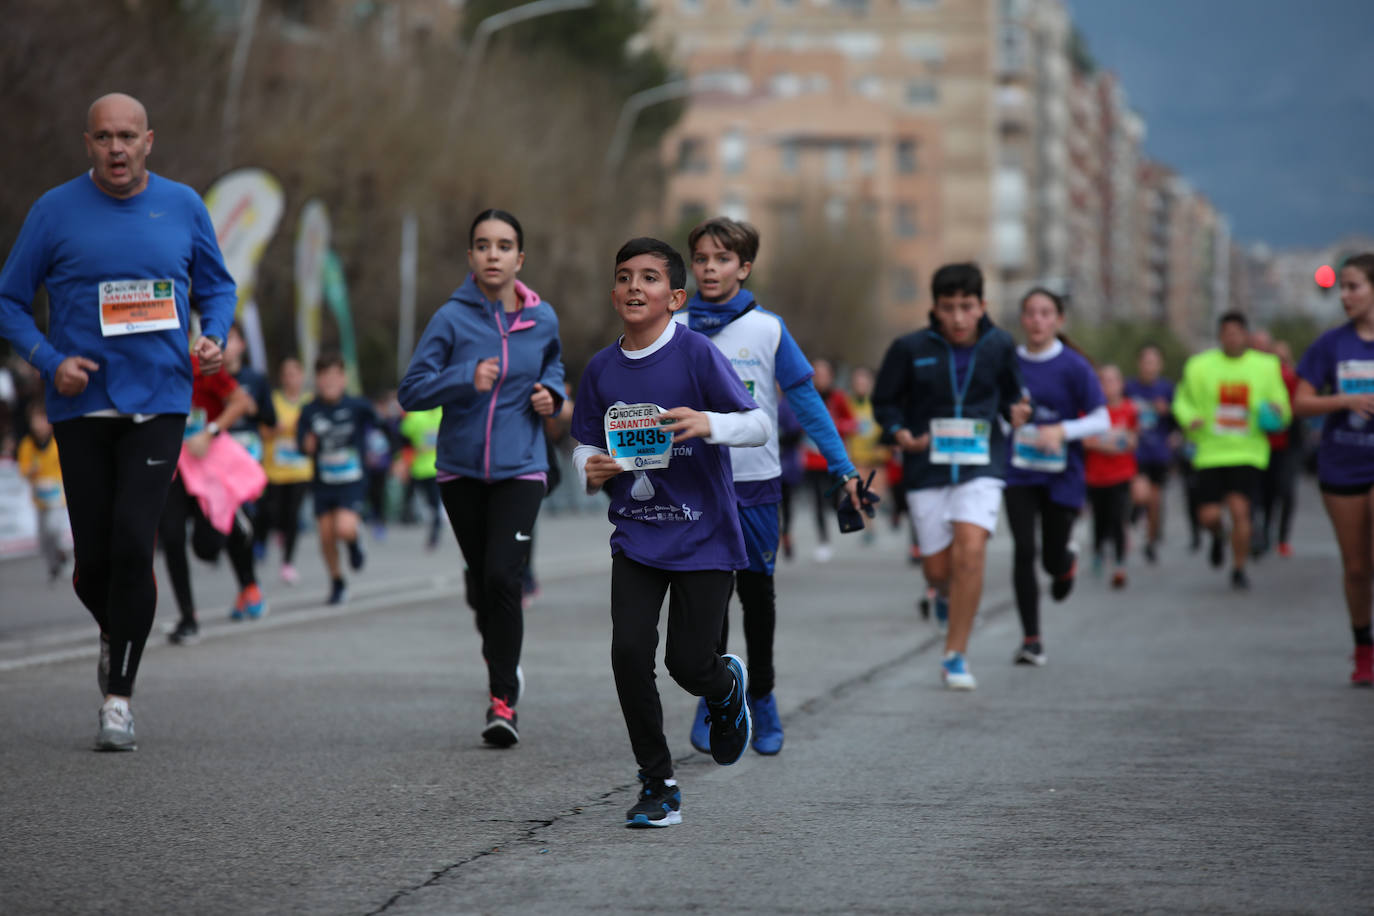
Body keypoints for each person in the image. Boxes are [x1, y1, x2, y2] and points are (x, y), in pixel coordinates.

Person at [0, 93, 236, 750]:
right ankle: (117, 627)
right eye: (104, 137)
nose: (117, 149)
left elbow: (217, 286)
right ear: (88, 144)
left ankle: (118, 699)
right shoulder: (55, 211)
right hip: (83, 404)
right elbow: (9, 301)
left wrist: (214, 335)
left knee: (135, 543)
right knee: (94, 563)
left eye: (128, 136)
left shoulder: (183, 206)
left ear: (148, 141)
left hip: (160, 399)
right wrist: (50, 361)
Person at [571, 236, 767, 827]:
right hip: (637, 533)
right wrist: (589, 468)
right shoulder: (601, 369)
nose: (635, 286)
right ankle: (658, 783)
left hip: (704, 534)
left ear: (676, 297)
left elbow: (758, 425)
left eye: (650, 277)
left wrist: (709, 423)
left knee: (688, 663)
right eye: (624, 276)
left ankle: (724, 686)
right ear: (614, 293)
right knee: (629, 653)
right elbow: (584, 443)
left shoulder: (696, 354)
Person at [677, 216, 860, 758]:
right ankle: (715, 694)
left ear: (745, 267)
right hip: (696, 485)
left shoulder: (768, 329)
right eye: (702, 259)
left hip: (756, 484)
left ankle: (762, 695)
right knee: (706, 600)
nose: (710, 268)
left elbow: (806, 401)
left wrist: (843, 468)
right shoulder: (674, 325)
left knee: (757, 598)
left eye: (723, 259)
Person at [397, 209, 565, 747]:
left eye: (504, 245)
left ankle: (502, 702)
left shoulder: (542, 319)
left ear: (520, 258)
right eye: (484, 245)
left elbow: (554, 368)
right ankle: (501, 659)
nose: (494, 254)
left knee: (502, 579)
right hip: (461, 471)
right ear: (471, 256)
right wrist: (463, 378)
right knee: (482, 584)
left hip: (522, 467)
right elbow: (411, 391)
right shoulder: (451, 319)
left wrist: (552, 394)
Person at [873, 263, 1030, 690]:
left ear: (982, 305)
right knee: (938, 569)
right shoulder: (909, 348)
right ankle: (942, 594)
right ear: (935, 308)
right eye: (948, 308)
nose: (958, 317)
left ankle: (955, 655)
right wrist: (899, 432)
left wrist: (1019, 411)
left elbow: (1013, 397)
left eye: (967, 306)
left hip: (982, 465)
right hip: (927, 468)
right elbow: (885, 403)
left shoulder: (1000, 345)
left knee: (971, 553)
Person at [1003, 289, 1109, 666]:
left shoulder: (1074, 366)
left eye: (1045, 313)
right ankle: (1031, 640)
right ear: (1022, 319)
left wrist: (1062, 431)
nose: (1037, 320)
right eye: (1030, 313)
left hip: (1062, 475)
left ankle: (1065, 564)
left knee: (1050, 560)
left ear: (1059, 320)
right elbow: (995, 415)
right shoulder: (1008, 364)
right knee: (1023, 550)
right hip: (1018, 472)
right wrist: (1009, 419)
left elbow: (1101, 418)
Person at [1292, 253, 1374, 686]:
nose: (1344, 295)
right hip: (1342, 464)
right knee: (1357, 568)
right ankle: (1363, 648)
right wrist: (1345, 400)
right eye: (1341, 287)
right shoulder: (1330, 345)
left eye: (1353, 286)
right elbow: (1300, 403)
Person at [1172, 312, 1291, 590]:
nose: (1232, 338)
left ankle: (1238, 569)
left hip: (1247, 452)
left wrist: (1278, 412)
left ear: (1245, 335)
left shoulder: (1266, 366)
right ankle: (1218, 535)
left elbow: (1282, 406)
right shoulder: (1199, 366)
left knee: (1240, 511)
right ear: (1220, 336)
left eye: (1237, 333)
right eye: (1227, 333)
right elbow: (1181, 400)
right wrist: (1190, 419)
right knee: (1209, 516)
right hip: (1209, 452)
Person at [159, 351, 264, 643]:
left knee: (206, 548)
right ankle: (188, 618)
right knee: (171, 536)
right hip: (170, 466)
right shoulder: (145, 367)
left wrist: (210, 432)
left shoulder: (200, 365)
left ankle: (236, 525)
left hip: (206, 462)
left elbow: (242, 402)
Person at [298, 352, 375, 606]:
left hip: (352, 480)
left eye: (334, 375)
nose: (329, 381)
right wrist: (306, 445)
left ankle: (354, 542)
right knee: (326, 536)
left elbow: (381, 425)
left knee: (343, 528)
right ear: (317, 379)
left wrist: (393, 454)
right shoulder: (309, 410)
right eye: (324, 376)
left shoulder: (358, 406)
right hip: (323, 482)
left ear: (344, 379)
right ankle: (337, 581)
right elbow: (301, 444)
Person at [255, 355, 313, 584]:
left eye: (294, 374)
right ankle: (268, 537)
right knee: (272, 512)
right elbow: (262, 432)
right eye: (286, 374)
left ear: (302, 376)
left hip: (300, 469)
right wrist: (277, 430)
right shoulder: (273, 400)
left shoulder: (310, 402)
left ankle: (287, 563)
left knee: (293, 516)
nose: (291, 378)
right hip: (275, 470)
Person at [1085, 365, 1139, 589]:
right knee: (1099, 519)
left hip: (1122, 475)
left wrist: (1107, 442)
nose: (1108, 385)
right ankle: (1098, 551)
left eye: (1112, 380)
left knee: (1118, 518)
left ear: (1121, 384)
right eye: (1103, 381)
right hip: (1095, 476)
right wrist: (1113, 444)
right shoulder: (1091, 410)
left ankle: (1119, 565)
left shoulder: (1129, 409)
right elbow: (1086, 441)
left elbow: (1132, 441)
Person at [1249, 330, 1302, 558]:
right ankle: (1261, 534)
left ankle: (1280, 538)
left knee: (1284, 491)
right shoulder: (1253, 374)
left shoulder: (1290, 376)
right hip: (1260, 442)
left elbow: (1300, 402)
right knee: (1262, 493)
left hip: (1287, 443)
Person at [800, 358, 856, 562]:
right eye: (817, 374)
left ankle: (839, 513)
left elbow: (852, 423)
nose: (821, 378)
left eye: (824, 374)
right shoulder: (805, 396)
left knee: (833, 501)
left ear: (831, 377)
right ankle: (823, 541)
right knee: (817, 501)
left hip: (833, 460)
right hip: (812, 459)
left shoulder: (839, 398)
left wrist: (835, 425)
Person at [1125, 343, 1175, 563]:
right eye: (1146, 362)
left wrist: (1168, 412)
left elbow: (1178, 420)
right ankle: (1134, 518)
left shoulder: (1167, 389)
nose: (1149, 367)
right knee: (1140, 494)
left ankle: (1151, 541)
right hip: (1137, 452)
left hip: (1159, 453)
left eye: (1153, 362)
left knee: (1154, 501)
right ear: (1139, 363)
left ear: (1160, 365)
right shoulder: (1129, 388)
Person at [17, 401, 71, 582]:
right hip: (40, 498)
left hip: (57, 496)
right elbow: (23, 469)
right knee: (43, 536)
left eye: (41, 420)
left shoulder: (57, 442)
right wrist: (30, 470)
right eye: (35, 420)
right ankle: (53, 565)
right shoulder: (27, 445)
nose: (38, 425)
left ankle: (61, 553)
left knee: (53, 527)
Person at [846, 366, 890, 545]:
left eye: (864, 381)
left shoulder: (879, 404)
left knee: (878, 494)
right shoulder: (848, 404)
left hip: (878, 457)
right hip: (858, 457)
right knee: (862, 493)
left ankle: (881, 511)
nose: (861, 384)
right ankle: (869, 528)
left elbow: (887, 427)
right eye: (858, 381)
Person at [399, 405, 444, 550]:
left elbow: (404, 437)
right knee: (432, 503)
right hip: (428, 468)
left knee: (430, 503)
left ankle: (433, 531)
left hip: (426, 468)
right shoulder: (441, 411)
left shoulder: (416, 415)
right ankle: (430, 527)